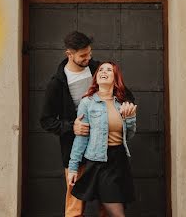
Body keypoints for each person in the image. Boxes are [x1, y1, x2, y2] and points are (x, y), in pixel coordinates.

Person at [40, 31, 135, 217]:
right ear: (69, 54)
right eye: (83, 55)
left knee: (107, 204)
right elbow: (46, 120)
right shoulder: (57, 83)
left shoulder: (98, 69)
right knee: (75, 207)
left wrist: (127, 108)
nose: (88, 58)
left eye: (89, 53)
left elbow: (125, 94)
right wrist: (71, 127)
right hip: (76, 149)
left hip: (106, 151)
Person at [67, 62, 137, 217]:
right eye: (101, 70)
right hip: (100, 162)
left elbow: (129, 135)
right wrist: (73, 168)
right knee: (117, 213)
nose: (103, 72)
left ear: (115, 78)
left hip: (120, 160)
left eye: (109, 70)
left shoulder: (121, 103)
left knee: (113, 210)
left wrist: (130, 117)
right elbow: (81, 138)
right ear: (96, 77)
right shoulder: (87, 103)